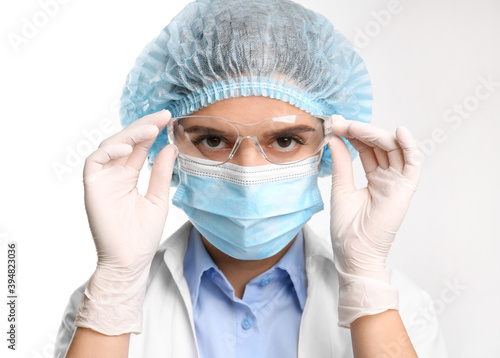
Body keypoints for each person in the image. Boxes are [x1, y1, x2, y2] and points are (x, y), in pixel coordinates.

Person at [54, 0, 448, 357]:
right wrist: (118, 282)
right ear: (166, 144)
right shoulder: (103, 307)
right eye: (211, 139)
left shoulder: (397, 306)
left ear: (329, 145)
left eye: (284, 139)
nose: (247, 172)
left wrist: (365, 280)